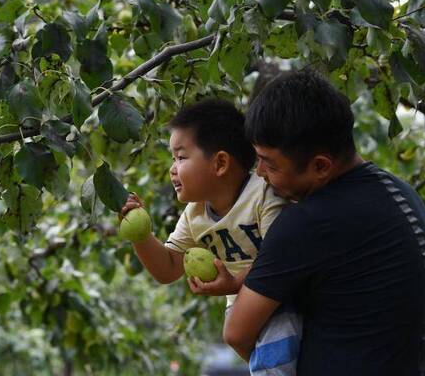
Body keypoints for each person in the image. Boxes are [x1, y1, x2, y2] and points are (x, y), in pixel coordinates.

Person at [224, 69, 425, 375]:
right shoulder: (401, 191)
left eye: (269, 163)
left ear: (320, 166)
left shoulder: (307, 222)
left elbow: (237, 333)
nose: (260, 174)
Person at [119, 98, 301, 373]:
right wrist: (140, 235)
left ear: (220, 163)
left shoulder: (262, 195)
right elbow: (167, 268)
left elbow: (281, 259)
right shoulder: (194, 215)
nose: (172, 169)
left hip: (282, 298)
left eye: (180, 157)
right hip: (243, 310)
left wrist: (234, 283)